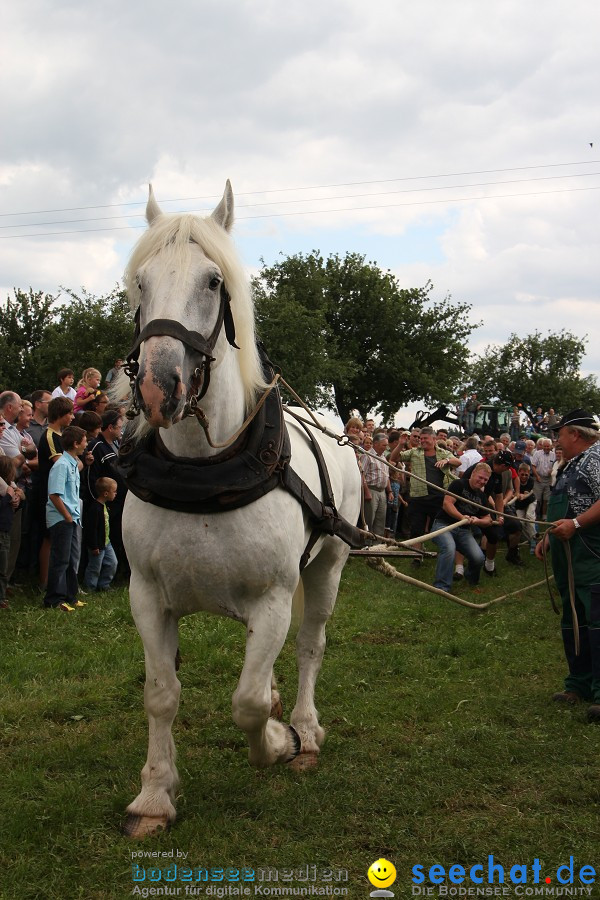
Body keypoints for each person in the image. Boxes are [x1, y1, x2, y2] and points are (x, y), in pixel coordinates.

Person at [535, 409, 600, 719]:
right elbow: (569, 504)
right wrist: (549, 538)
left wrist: (575, 524)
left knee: (597, 621)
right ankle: (579, 684)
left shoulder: (597, 458)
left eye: (560, 433)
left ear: (575, 434)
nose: (556, 439)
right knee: (574, 618)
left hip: (591, 553)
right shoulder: (570, 465)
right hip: (569, 552)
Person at [391, 427, 459, 566]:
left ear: (434, 440)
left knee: (440, 527)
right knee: (417, 528)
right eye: (420, 439)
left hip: (439, 496)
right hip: (418, 497)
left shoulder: (443, 453)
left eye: (425, 439)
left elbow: (458, 462)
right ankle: (417, 557)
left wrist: (446, 461)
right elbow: (394, 458)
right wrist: (401, 444)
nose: (422, 441)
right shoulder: (415, 452)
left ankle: (445, 552)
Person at [43, 425, 88, 612]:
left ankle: (71, 595)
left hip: (72, 517)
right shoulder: (61, 465)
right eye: (84, 441)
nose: (86, 444)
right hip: (62, 518)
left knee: (71, 558)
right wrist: (67, 516)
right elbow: (54, 494)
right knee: (60, 559)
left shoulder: (72, 463)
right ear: (76, 443)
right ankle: (54, 599)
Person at [431, 462, 493, 593]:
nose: (482, 481)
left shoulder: (482, 496)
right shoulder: (459, 484)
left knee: (479, 558)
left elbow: (488, 519)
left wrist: (477, 521)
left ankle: (471, 580)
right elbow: (447, 504)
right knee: (448, 548)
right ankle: (442, 587)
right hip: (443, 525)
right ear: (473, 473)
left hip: (464, 531)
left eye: (485, 480)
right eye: (480, 477)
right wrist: (461, 517)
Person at [83, 476, 119, 591]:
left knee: (113, 563)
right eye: (114, 491)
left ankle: (104, 584)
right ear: (105, 494)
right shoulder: (95, 509)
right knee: (95, 567)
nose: (116, 494)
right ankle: (90, 587)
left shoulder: (105, 506)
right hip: (97, 545)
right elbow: (91, 529)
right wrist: (94, 546)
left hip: (106, 542)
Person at [360, 432, 393, 538]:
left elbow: (386, 476)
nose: (386, 447)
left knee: (380, 519)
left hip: (382, 492)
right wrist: (367, 492)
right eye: (384, 445)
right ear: (376, 444)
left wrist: (390, 491)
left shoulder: (383, 457)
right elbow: (361, 475)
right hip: (371, 490)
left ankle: (377, 547)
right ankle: (367, 544)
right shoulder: (367, 456)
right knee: (369, 519)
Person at [0, 457, 18, 609]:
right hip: (1, 531)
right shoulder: (5, 489)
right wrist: (8, 496)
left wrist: (14, 498)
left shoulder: (9, 486)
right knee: (2, 567)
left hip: (5, 529)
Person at [531, 438, 555, 520]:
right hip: (538, 478)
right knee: (537, 499)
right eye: (545, 446)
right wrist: (537, 476)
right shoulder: (537, 453)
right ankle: (536, 516)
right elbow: (533, 466)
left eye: (548, 446)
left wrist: (552, 471)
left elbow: (556, 466)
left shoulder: (554, 455)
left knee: (546, 499)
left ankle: (544, 516)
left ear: (551, 446)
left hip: (549, 479)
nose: (546, 448)